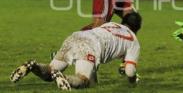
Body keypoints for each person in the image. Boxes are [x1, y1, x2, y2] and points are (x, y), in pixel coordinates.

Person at [10, 12, 142, 90]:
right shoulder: (133, 40)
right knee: (84, 81)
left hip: (76, 36)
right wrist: (132, 82)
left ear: (123, 21)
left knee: (49, 72)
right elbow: (130, 71)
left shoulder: (111, 24)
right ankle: (63, 77)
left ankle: (33, 66)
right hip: (89, 45)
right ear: (137, 28)